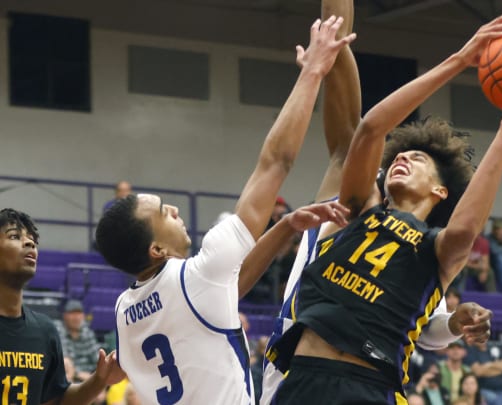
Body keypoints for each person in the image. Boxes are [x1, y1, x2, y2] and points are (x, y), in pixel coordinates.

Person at [94, 17, 356, 405]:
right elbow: (276, 163)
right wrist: (313, 72)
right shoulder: (203, 271)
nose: (176, 210)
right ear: (156, 250)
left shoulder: (124, 309)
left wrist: (284, 227)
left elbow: (222, 293)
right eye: (164, 213)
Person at [257, 1, 496, 403]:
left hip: (368, 379)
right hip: (295, 364)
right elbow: (362, 124)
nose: (400, 160)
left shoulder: (427, 249)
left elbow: (425, 331)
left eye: (417, 159)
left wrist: (455, 322)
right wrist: (331, 44)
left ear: (440, 192)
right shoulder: (352, 202)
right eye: (398, 158)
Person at [0, 208, 124, 405]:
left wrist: (99, 380)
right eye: (15, 236)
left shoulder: (44, 330)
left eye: (33, 240)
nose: (30, 243)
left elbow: (57, 401)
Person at [54, 299, 101, 381]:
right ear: (64, 316)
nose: (76, 317)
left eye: (79, 313)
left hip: (89, 376)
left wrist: (95, 376)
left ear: (83, 316)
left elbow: (97, 359)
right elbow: (64, 361)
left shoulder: (88, 333)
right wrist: (78, 374)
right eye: (72, 313)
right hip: (68, 376)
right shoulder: (59, 331)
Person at [465, 339, 502, 403]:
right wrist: (500, 367)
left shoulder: (493, 348)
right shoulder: (472, 352)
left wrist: (489, 365)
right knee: (498, 401)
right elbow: (478, 372)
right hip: (485, 389)